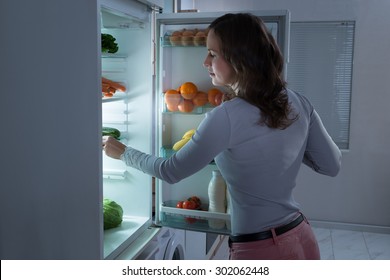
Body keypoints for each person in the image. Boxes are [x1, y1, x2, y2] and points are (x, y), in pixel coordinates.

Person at [102, 13, 342, 260]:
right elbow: (331, 165)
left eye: (213, 54)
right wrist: (290, 142)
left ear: (239, 59)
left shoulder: (226, 116)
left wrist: (123, 152)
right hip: (300, 236)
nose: (205, 61)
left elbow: (170, 171)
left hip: (260, 250)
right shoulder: (298, 101)